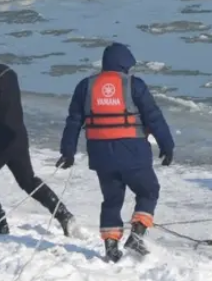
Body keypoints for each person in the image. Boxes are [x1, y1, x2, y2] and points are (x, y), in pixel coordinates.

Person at [58, 42, 174, 263]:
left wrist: (68, 152)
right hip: (133, 153)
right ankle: (136, 235)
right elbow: (154, 117)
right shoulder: (134, 85)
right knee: (148, 191)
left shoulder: (85, 86)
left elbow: (73, 121)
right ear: (124, 64)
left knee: (112, 200)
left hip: (101, 156)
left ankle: (111, 245)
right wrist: (167, 146)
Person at [0, 36, 76, 238]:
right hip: (18, 137)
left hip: (0, 141)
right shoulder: (8, 72)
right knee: (28, 181)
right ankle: (64, 215)